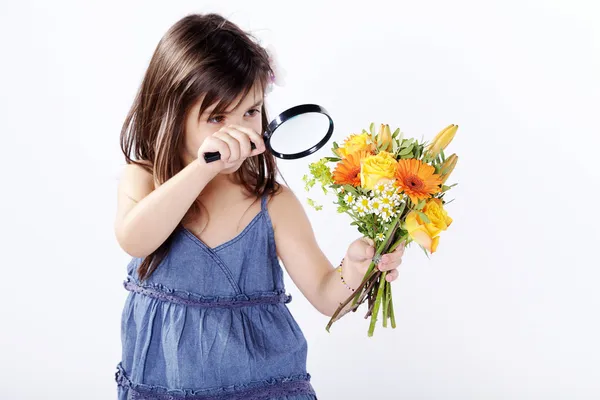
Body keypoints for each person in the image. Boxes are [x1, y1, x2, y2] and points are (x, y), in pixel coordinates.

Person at [114, 13, 404, 400]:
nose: (241, 131)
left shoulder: (273, 203)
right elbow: (135, 239)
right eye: (217, 117)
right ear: (172, 114)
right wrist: (202, 169)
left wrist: (355, 267)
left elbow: (323, 292)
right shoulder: (144, 179)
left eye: (250, 112)